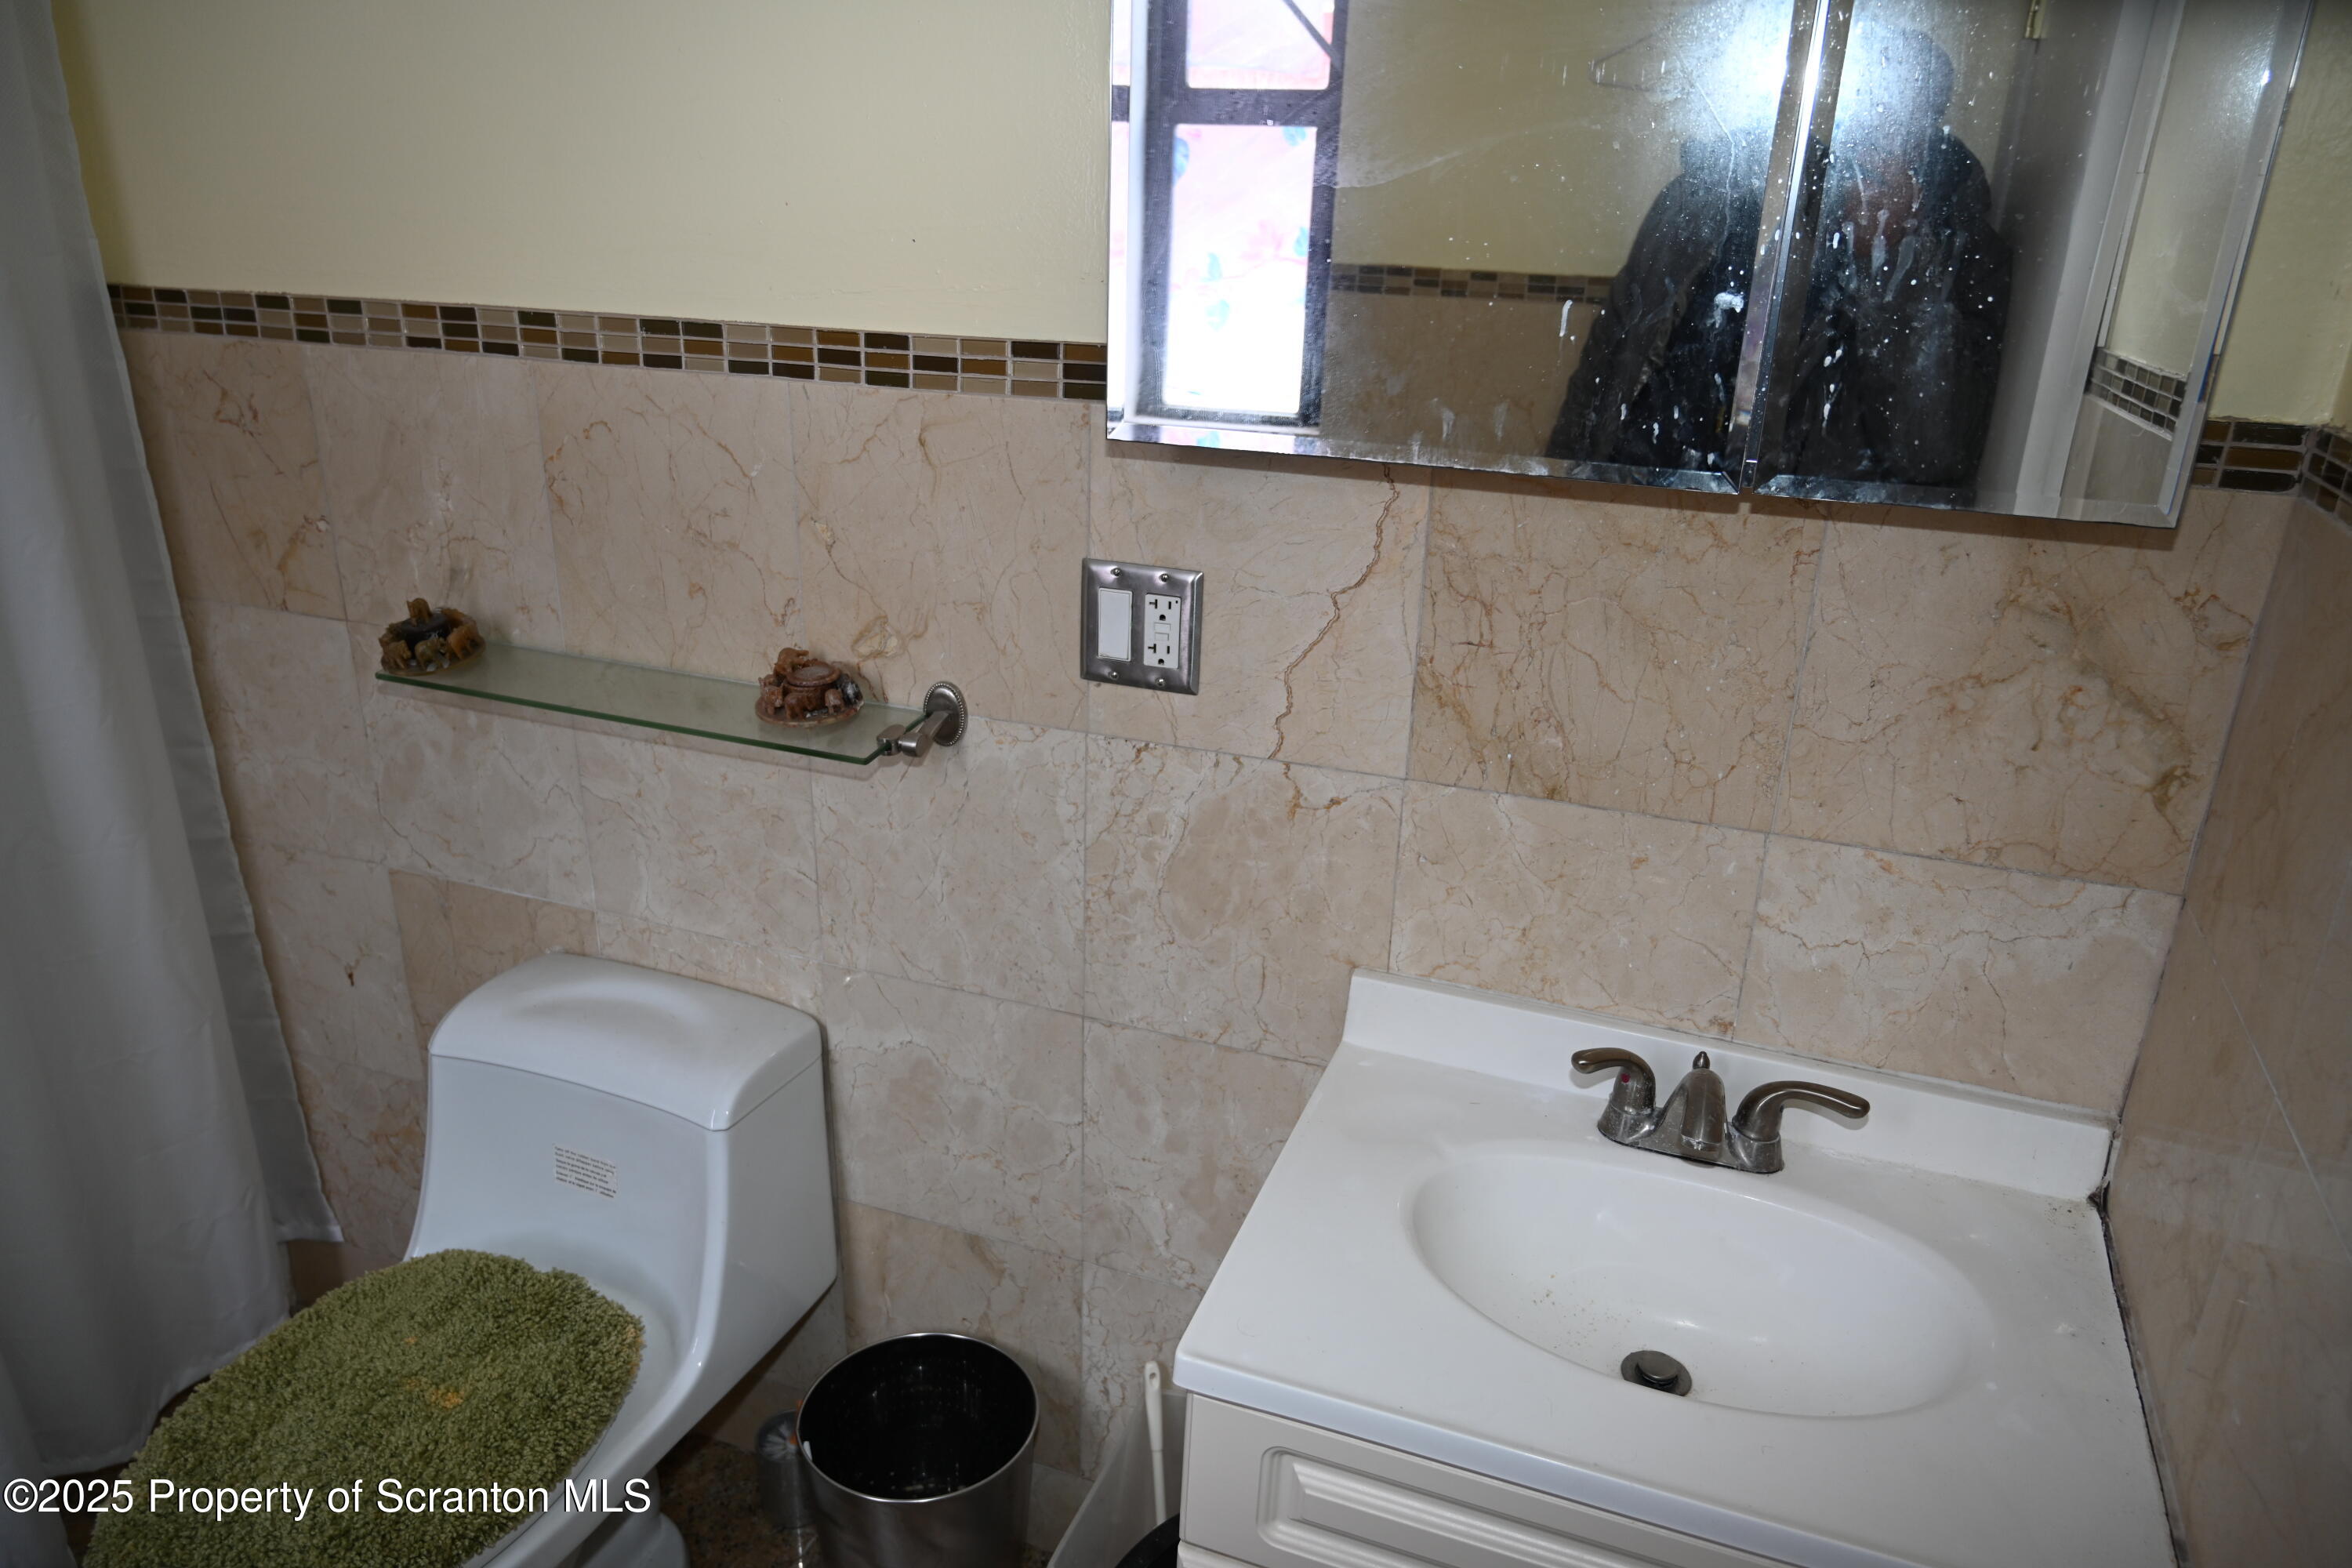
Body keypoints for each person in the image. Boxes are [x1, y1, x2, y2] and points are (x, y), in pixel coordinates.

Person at [1548, 25, 2011, 490]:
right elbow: (1609, 358)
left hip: (1806, 530)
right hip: (1641, 490)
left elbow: (1933, 457)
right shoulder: (1707, 197)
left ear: (1928, 133)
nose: (1873, 135)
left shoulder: (1961, 253)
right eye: (1863, 108)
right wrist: (1561, 479)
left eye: (1899, 118)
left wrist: (1892, 266)